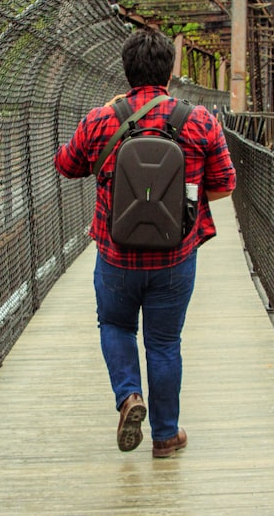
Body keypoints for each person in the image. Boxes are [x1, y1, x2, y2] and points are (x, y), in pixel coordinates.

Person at [54, 27, 236, 458]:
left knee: (115, 326)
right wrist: (182, 196)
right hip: (175, 256)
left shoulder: (101, 119)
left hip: (115, 255)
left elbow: (66, 165)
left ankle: (129, 397)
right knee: (164, 342)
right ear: (171, 73)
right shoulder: (199, 119)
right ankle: (166, 435)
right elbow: (226, 184)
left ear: (126, 70)